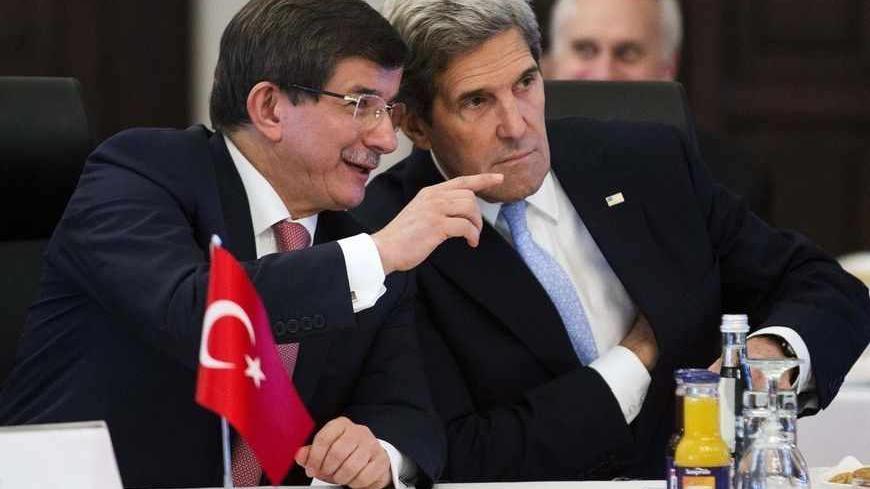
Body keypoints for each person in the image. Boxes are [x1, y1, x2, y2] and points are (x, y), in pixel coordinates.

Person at [355, 0, 870, 481]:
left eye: (525, 83)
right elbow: (459, 451)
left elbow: (824, 286)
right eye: (476, 101)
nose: (517, 125)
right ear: (416, 125)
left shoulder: (646, 163)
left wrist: (767, 355)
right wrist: (633, 359)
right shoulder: (386, 238)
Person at [0, 0, 502, 487]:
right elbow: (196, 310)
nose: (386, 139)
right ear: (269, 108)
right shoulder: (140, 172)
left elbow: (409, 415)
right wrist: (377, 255)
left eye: (388, 109)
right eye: (361, 105)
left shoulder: (357, 248)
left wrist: (379, 452)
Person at [542, 0, 773, 222]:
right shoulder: (514, 170)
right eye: (585, 50)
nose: (604, 74)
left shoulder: (730, 183)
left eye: (628, 53)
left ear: (667, 68)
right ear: (549, 64)